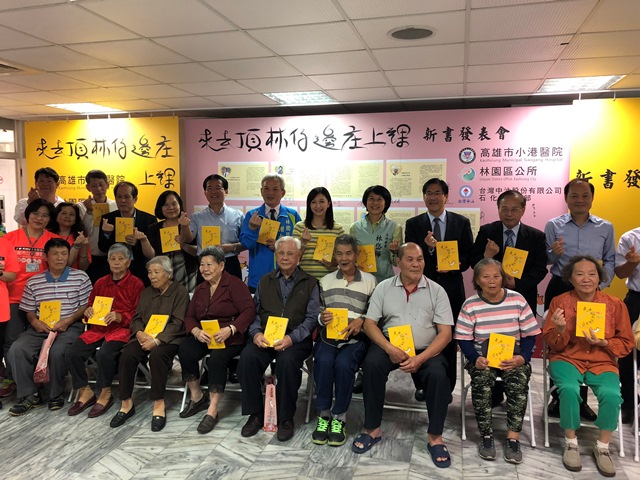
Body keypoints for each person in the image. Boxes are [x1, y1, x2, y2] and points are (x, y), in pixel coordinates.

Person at [352, 242, 453, 469]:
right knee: (372, 365)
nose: (416, 264)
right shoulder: (384, 287)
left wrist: (421, 358)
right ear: (398, 262)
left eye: (420, 259)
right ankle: (372, 429)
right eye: (410, 259)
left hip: (425, 349)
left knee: (438, 375)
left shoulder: (437, 290)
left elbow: (445, 333)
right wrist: (388, 348)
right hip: (390, 344)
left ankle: (435, 437)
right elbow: (369, 324)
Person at [543, 255, 633, 476]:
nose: (586, 279)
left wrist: (605, 343)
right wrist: (560, 330)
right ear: (570, 278)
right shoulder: (559, 302)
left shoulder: (615, 305)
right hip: (566, 358)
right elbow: (552, 343)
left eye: (592, 274)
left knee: (612, 394)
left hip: (602, 360)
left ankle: (602, 446)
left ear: (599, 278)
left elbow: (626, 342)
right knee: (569, 389)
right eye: (580, 274)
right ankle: (571, 442)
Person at [454, 259, 540, 464]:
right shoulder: (470, 304)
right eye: (486, 277)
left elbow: (530, 334)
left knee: (518, 381)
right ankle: (486, 436)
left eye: (496, 276)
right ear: (477, 280)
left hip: (513, 358)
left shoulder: (517, 299)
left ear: (503, 278)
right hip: (482, 359)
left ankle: (513, 438)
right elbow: (463, 338)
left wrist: (523, 357)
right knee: (482, 381)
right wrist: (475, 358)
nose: (492, 281)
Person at [544, 178, 615, 420]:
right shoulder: (553, 225)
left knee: (586, 339)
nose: (580, 200)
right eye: (574, 196)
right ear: (566, 198)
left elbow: (610, 259)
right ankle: (559, 397)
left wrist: (599, 285)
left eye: (585, 195)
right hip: (560, 286)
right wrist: (555, 253)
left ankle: (581, 401)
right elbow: (547, 259)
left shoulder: (605, 227)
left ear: (592, 198)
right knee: (559, 338)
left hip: (591, 290)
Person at [469, 189, 547, 407]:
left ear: (523, 210)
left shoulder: (536, 236)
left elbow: (540, 269)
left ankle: (511, 384)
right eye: (504, 209)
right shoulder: (487, 231)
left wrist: (516, 284)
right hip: (489, 298)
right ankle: (493, 389)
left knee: (517, 340)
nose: (509, 213)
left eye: (514, 209)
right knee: (490, 337)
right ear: (498, 209)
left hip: (520, 297)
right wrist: (487, 257)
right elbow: (474, 262)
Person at [237, 236, 320, 442]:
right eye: (281, 253)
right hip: (266, 336)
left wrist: (292, 338)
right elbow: (254, 313)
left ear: (299, 256)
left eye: (290, 253)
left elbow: (311, 319)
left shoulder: (310, 282)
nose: (284, 257)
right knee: (247, 358)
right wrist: (256, 333)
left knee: (287, 362)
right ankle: (255, 414)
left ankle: (285, 418)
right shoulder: (265, 280)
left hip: (295, 339)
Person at [7, 238, 91, 415]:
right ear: (45, 256)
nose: (60, 258)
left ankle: (55, 394)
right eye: (55, 254)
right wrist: (34, 322)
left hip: (70, 326)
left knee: (57, 351)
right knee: (17, 349)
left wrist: (68, 320)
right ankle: (29, 395)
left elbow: (85, 306)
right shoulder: (34, 281)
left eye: (64, 254)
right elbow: (29, 310)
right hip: (41, 326)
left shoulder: (80, 277)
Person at [405, 178, 473, 396]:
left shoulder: (461, 222)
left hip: (451, 288)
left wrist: (453, 265)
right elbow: (409, 258)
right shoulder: (413, 224)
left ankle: (447, 386)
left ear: (446, 196)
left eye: (437, 193)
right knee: (420, 332)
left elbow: (468, 257)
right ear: (424, 197)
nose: (432, 197)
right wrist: (429, 250)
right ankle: (422, 384)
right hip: (421, 288)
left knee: (448, 336)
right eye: (428, 193)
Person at [178, 247, 255, 434]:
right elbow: (190, 316)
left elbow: (249, 311)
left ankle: (212, 409)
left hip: (230, 337)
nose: (204, 269)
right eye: (202, 265)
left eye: (209, 264)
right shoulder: (201, 288)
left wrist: (231, 329)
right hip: (206, 335)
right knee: (185, 350)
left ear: (221, 265)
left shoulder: (235, 284)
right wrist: (196, 331)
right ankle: (197, 396)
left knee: (216, 359)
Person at [110, 255, 188, 432]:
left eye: (156, 272)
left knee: (157, 356)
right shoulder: (146, 293)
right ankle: (126, 403)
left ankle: (159, 403)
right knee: (127, 354)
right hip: (145, 336)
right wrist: (139, 333)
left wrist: (157, 340)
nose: (152, 276)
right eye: (150, 272)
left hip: (169, 338)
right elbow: (136, 318)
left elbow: (178, 323)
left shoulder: (180, 292)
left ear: (169, 274)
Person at [65, 243, 144, 418]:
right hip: (98, 329)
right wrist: (88, 312)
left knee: (104, 354)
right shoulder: (100, 282)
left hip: (121, 330)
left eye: (121, 259)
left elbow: (139, 314)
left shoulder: (136, 284)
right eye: (112, 258)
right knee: (72, 352)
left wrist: (120, 316)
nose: (116, 262)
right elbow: (91, 305)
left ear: (128, 262)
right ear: (107, 261)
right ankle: (85, 391)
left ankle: (105, 392)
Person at [312, 234, 376, 446]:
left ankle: (339, 417)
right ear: (334, 256)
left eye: (348, 253)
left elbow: (375, 313)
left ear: (356, 254)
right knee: (323, 361)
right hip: (329, 336)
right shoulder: (325, 281)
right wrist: (322, 318)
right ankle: (323, 415)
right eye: (339, 254)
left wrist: (362, 320)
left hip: (357, 338)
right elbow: (317, 312)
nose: (344, 258)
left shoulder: (370, 281)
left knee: (343, 364)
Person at [0, 199, 61, 398]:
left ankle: (39, 376)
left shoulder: (53, 240)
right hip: (14, 297)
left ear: (50, 219)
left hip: (43, 299)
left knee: (42, 339)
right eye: (35, 213)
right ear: (27, 215)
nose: (39, 218)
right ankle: (12, 378)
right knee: (12, 340)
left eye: (45, 215)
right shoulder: (9, 238)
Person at [240, 174, 301, 293]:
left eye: (275, 189)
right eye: (266, 189)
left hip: (288, 278)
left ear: (283, 192)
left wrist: (279, 246)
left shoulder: (293, 215)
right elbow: (246, 244)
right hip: (259, 279)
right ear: (261, 191)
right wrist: (252, 229)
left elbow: (299, 247)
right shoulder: (252, 215)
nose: (270, 193)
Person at [180, 174, 245, 280]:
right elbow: (188, 239)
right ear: (205, 192)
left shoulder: (238, 215)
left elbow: (246, 243)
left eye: (218, 188)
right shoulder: (197, 217)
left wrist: (229, 247)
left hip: (230, 263)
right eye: (209, 188)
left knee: (233, 290)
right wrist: (184, 226)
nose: (213, 192)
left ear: (226, 191)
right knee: (204, 291)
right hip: (205, 264)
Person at [98, 181, 157, 286]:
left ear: (135, 199)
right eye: (119, 197)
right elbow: (102, 248)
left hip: (140, 270)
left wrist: (138, 243)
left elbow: (152, 254)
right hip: (114, 272)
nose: (123, 200)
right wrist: (107, 234)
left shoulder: (149, 220)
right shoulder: (107, 219)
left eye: (127, 197)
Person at [145, 190, 197, 292]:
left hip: (186, 273)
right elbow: (151, 255)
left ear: (180, 205)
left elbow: (196, 250)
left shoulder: (188, 224)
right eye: (166, 205)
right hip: (162, 275)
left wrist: (183, 243)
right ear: (160, 208)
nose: (171, 207)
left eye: (174, 204)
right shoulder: (153, 228)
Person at [614, 226, 640, 424]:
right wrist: (632, 263)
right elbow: (620, 273)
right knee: (626, 351)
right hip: (636, 300)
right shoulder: (631, 237)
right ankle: (629, 403)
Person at [350, 185, 401, 284]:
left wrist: (395, 252)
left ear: (386, 203)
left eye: (379, 199)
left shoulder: (395, 227)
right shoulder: (355, 227)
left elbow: (396, 263)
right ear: (365, 202)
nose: (375, 203)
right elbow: (351, 256)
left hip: (385, 281)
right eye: (371, 199)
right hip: (361, 281)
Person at [293, 187, 344, 280]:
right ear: (309, 205)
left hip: (330, 281)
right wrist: (303, 242)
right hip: (304, 281)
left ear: (328, 203)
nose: (318, 206)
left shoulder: (338, 229)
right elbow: (293, 259)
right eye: (313, 202)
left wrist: (333, 263)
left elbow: (343, 257)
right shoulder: (300, 227)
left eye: (321, 201)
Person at [76, 170, 118, 283]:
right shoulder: (81, 207)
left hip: (113, 257)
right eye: (94, 186)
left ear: (107, 185)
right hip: (90, 257)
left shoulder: (116, 205)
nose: (99, 189)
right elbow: (84, 232)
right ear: (88, 187)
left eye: (101, 184)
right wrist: (89, 212)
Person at [48, 202, 91, 270]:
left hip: (73, 275)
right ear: (56, 216)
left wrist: (84, 248)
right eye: (64, 213)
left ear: (76, 219)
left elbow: (83, 267)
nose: (67, 216)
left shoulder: (80, 237)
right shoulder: (47, 235)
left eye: (71, 214)